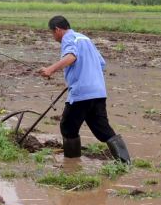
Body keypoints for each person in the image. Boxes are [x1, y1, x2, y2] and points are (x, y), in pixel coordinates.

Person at [38, 15, 130, 163]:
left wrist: (50, 69)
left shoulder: (68, 37)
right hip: (98, 92)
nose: (53, 36)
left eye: (52, 33)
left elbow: (71, 57)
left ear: (57, 30)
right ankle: (125, 162)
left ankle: (72, 164)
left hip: (82, 93)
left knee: (68, 127)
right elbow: (101, 63)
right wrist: (80, 76)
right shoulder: (85, 39)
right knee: (103, 129)